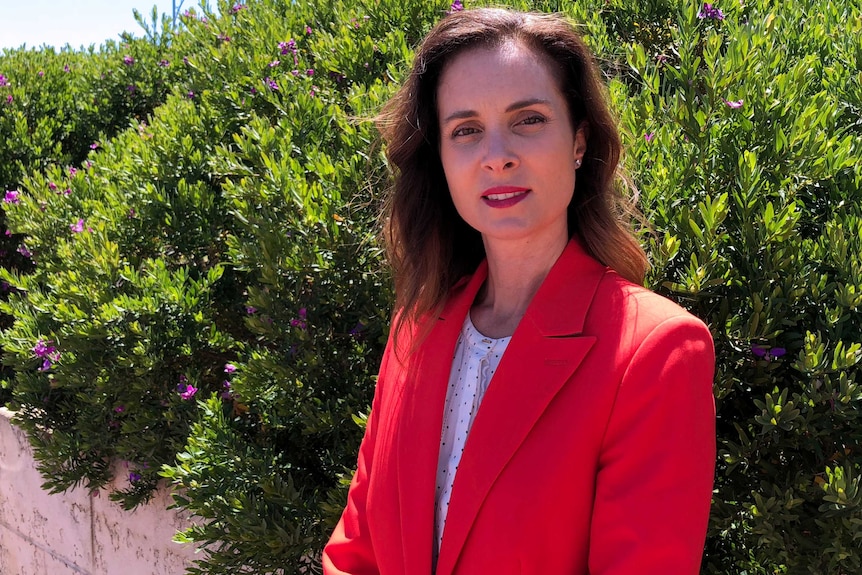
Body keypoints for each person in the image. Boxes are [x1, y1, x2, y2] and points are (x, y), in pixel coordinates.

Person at [323, 7, 715, 575]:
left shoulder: (654, 351)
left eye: (528, 119)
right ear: (441, 160)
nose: (496, 154)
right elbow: (355, 547)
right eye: (465, 130)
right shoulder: (418, 325)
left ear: (578, 140)